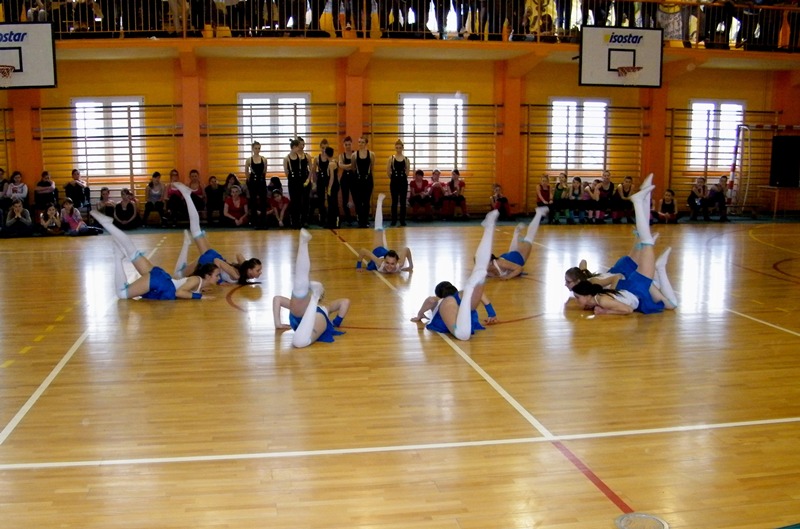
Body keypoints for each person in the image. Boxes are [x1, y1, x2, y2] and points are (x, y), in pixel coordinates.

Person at [570, 181, 679, 316]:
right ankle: (643, 199)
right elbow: (626, 307)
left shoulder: (600, 297)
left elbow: (627, 309)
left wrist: (605, 311)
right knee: (644, 241)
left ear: (587, 295)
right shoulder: (599, 296)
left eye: (578, 297)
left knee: (646, 241)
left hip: (634, 287)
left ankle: (639, 202)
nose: (577, 301)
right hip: (632, 287)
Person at [90, 211, 220, 301]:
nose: (219, 278)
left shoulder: (200, 283)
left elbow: (186, 288)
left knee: (133, 252)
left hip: (162, 279)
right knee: (122, 294)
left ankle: (108, 224)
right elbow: (179, 292)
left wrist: (201, 292)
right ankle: (118, 258)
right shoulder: (196, 280)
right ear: (208, 276)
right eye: (217, 275)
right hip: (161, 283)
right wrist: (200, 297)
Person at [410, 210, 499, 340]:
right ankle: (489, 229)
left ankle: (472, 284)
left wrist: (420, 314)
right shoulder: (459, 295)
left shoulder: (442, 301)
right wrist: (491, 313)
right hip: (466, 307)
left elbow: (430, 300)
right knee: (481, 269)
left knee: (462, 334)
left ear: (439, 294)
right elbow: (483, 297)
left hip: (460, 315)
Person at [172, 182, 263, 285]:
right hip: (211, 260)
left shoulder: (242, 270)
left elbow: (239, 255)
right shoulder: (236, 275)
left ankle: (186, 243)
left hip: (214, 257)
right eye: (258, 270)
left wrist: (244, 264)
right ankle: (187, 195)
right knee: (178, 275)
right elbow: (217, 261)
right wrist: (220, 281)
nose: (260, 272)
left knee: (196, 232)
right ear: (249, 270)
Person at [273, 229, 350, 348]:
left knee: (299, 285)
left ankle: (303, 243)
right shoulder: (326, 307)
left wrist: (278, 323)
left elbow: (277, 299)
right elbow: (345, 301)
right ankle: (315, 296)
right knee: (299, 342)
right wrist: (336, 322)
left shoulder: (322, 306)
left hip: (300, 316)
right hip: (315, 315)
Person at [356, 194, 413, 273]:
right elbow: (363, 251)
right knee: (378, 228)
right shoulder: (379, 263)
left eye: (392, 264)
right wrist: (358, 266)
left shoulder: (400, 264)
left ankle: (383, 233)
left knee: (380, 230)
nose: (389, 266)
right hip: (378, 251)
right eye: (387, 263)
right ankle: (379, 202)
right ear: (384, 261)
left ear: (397, 262)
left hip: (386, 254)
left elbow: (406, 249)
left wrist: (411, 266)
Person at [486, 206, 547, 279]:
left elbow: (519, 268)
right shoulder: (487, 268)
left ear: (490, 263)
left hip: (518, 258)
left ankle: (539, 213)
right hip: (509, 256)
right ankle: (516, 233)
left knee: (529, 237)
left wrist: (508, 277)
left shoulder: (499, 263)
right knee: (513, 252)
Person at [284, 138, 313, 229]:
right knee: (295, 202)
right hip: (294, 181)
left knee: (305, 201)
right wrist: (292, 180)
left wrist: (308, 180)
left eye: (303, 144)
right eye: (300, 144)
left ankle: (304, 220)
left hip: (304, 180)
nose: (302, 146)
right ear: (295, 146)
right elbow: (287, 172)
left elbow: (310, 169)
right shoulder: (288, 158)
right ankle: (295, 221)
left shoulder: (305, 156)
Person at [353, 136, 375, 228]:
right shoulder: (354, 155)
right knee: (358, 201)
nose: (360, 144)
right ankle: (360, 221)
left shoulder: (371, 154)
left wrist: (368, 177)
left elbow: (372, 167)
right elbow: (353, 167)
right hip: (358, 180)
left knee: (366, 201)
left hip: (368, 180)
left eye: (362, 142)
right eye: (359, 142)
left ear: (366, 143)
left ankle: (366, 221)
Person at [245, 141, 268, 229]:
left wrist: (262, 179)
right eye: (256, 148)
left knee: (263, 202)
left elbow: (265, 171)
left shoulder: (264, 159)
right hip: (253, 182)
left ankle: (263, 223)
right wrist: (249, 182)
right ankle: (255, 222)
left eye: (259, 148)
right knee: (253, 202)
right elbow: (246, 172)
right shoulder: (249, 160)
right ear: (252, 149)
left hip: (261, 181)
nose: (257, 150)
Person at [387, 139, 410, 227]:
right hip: (394, 181)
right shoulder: (391, 158)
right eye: (397, 148)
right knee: (394, 201)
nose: (398, 149)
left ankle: (402, 220)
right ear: (395, 148)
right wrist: (393, 178)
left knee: (403, 201)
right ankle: (393, 220)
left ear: (402, 148)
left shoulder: (406, 159)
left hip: (403, 181)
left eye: (400, 148)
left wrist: (402, 178)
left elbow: (407, 172)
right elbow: (388, 171)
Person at [337, 136, 357, 226]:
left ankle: (358, 217)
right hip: (345, 178)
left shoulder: (355, 154)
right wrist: (350, 165)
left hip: (354, 178)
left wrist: (347, 166)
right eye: (346, 145)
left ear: (352, 144)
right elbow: (341, 165)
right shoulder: (341, 155)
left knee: (356, 198)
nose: (348, 146)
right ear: (343, 145)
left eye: (349, 144)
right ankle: (348, 219)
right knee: (345, 199)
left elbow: (356, 166)